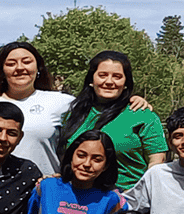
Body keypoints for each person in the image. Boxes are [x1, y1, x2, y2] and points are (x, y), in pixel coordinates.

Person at [0, 40, 75, 177]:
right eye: (11, 64)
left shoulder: (62, 103)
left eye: (26, 62)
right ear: (2, 70)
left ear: (38, 67)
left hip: (44, 191)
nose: (20, 68)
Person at [55, 50, 167, 191]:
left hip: (128, 200)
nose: (109, 82)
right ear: (91, 80)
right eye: (102, 75)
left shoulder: (142, 115)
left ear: (126, 82)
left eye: (117, 76)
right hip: (78, 198)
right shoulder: (72, 114)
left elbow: (157, 162)